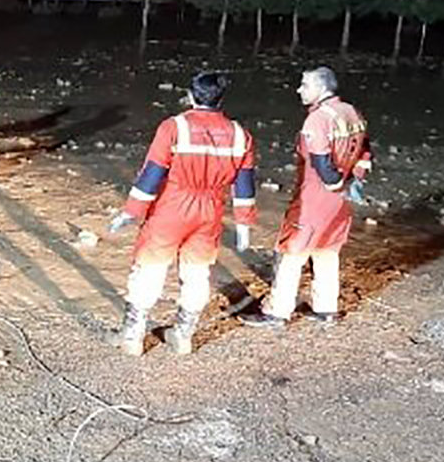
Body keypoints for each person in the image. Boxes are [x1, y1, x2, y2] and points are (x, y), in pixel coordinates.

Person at [107, 72, 257, 356]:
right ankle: (183, 336)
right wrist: (244, 224)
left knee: (150, 269)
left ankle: (132, 337)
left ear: (191, 96)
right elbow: (245, 183)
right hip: (210, 211)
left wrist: (131, 212)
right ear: (221, 99)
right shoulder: (241, 135)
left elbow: (152, 173)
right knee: (198, 273)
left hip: (171, 207)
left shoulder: (174, 127)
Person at [241, 66, 371, 328]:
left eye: (305, 85)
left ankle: (277, 311)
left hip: (314, 198)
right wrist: (354, 180)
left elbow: (323, 165)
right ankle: (326, 308)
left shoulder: (318, 119)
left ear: (322, 88)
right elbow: (366, 151)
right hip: (340, 200)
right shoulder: (352, 112)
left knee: (291, 252)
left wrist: (333, 184)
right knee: (327, 250)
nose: (299, 89)